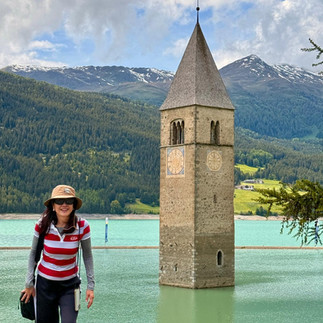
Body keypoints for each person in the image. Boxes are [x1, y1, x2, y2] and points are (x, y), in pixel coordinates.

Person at [21, 185, 95, 323]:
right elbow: (33, 254)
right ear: (53, 205)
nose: (64, 205)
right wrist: (29, 283)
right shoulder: (42, 225)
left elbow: (88, 256)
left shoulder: (82, 226)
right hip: (44, 286)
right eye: (59, 201)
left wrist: (91, 286)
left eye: (69, 201)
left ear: (74, 205)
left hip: (70, 286)